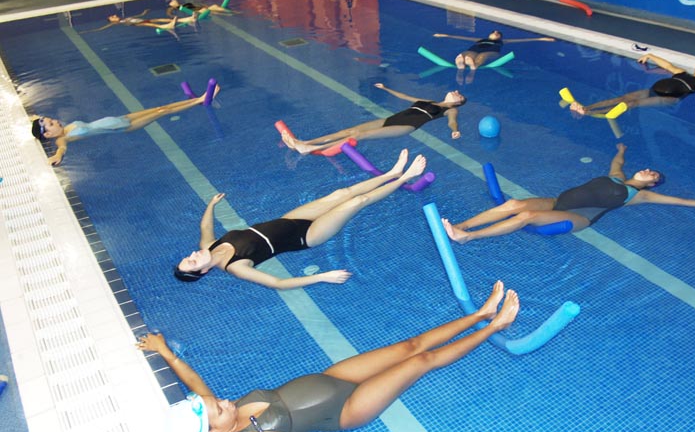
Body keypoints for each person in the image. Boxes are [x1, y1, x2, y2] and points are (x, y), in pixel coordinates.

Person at [137, 281, 519, 432]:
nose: (222, 401)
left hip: (333, 377)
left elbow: (193, 379)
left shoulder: (216, 413)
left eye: (215, 401)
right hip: (344, 411)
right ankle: (496, 327)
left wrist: (165, 351)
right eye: (218, 409)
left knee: (409, 346)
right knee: (421, 362)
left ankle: (482, 313)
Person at [175, 149, 427, 289]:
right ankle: (406, 178)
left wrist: (211, 204)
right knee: (357, 201)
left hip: (290, 220)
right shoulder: (236, 267)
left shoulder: (208, 246)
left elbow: (205, 226)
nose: (193, 255)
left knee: (341, 193)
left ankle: (392, 173)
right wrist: (321, 277)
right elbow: (277, 283)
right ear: (203, 271)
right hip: (307, 236)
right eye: (192, 262)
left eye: (188, 257)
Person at [442, 143, 695, 244]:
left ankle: (470, 237)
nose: (650, 171)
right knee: (513, 203)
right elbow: (618, 163)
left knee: (526, 216)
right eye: (651, 169)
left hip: (579, 216)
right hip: (558, 201)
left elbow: (682, 201)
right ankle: (462, 225)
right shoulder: (617, 176)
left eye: (654, 176)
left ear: (651, 185)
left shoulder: (638, 195)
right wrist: (622, 149)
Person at [31, 84, 220, 166]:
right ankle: (200, 100)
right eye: (51, 123)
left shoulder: (64, 129)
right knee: (162, 113)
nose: (55, 121)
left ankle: (196, 99)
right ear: (48, 135)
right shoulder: (62, 139)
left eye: (51, 119)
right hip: (123, 127)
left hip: (120, 118)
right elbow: (61, 149)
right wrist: (57, 155)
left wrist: (33, 118)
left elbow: (40, 124)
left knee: (160, 107)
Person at [280, 84, 465, 155]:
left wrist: (455, 130)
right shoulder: (430, 101)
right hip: (393, 118)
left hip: (407, 125)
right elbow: (404, 96)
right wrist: (385, 88)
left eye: (459, 95)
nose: (456, 92)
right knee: (350, 131)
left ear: (457, 103)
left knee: (359, 136)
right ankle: (305, 142)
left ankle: (310, 149)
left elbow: (452, 122)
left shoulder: (450, 110)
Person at [569, 53, 695, 116]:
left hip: (669, 98)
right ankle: (586, 108)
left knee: (632, 104)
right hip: (653, 90)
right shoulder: (681, 72)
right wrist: (650, 56)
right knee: (622, 98)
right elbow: (666, 65)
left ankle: (594, 113)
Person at [433, 30, 555, 70]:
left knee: (482, 56)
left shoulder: (502, 41)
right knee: (466, 54)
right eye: (494, 32)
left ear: (500, 37)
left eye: (498, 33)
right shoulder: (480, 39)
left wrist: (541, 39)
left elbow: (521, 40)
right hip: (475, 50)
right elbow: (462, 37)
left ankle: (473, 68)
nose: (496, 33)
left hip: (491, 52)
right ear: (489, 35)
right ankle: (461, 65)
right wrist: (445, 35)